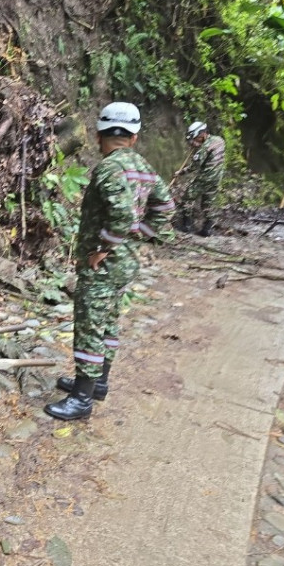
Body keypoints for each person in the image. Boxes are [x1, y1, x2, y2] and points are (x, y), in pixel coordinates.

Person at [47, 102, 175, 421]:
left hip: (103, 265)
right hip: (126, 264)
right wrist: (138, 235)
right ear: (134, 137)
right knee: (108, 322)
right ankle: (98, 383)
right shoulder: (144, 167)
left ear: (98, 135)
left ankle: (81, 398)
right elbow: (166, 209)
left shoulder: (109, 168)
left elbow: (121, 216)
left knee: (90, 324)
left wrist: (104, 247)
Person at [173, 121, 225, 236]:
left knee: (187, 198)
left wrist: (181, 172)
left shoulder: (204, 148)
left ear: (202, 134)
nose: (194, 140)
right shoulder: (220, 140)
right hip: (217, 178)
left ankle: (186, 226)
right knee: (208, 202)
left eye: (195, 138)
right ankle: (207, 229)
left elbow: (194, 167)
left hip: (205, 178)